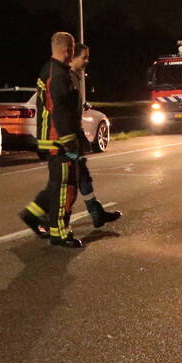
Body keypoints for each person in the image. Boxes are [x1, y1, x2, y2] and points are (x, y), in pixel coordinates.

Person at [19, 32, 84, 248]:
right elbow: (60, 111)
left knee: (58, 185)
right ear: (68, 50)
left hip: (53, 139)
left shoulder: (51, 70)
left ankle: (34, 215)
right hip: (59, 140)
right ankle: (60, 233)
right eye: (73, 49)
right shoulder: (58, 75)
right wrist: (70, 141)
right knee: (66, 187)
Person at [68, 43, 121, 228]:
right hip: (65, 140)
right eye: (84, 57)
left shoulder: (74, 77)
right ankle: (42, 219)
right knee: (65, 183)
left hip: (72, 138)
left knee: (82, 176)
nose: (87, 61)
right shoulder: (65, 78)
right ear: (73, 57)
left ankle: (96, 212)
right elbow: (63, 113)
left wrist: (81, 136)